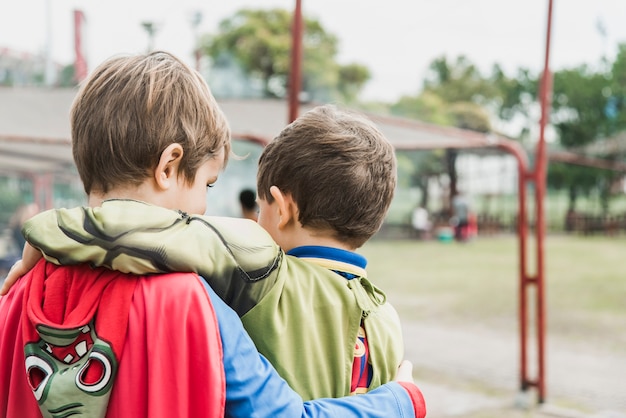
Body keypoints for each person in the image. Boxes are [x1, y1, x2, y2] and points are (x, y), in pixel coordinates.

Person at [0, 52, 426, 418]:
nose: (203, 210)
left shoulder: (14, 298)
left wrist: (53, 230)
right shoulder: (195, 301)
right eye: (207, 184)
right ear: (168, 167)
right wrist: (401, 401)